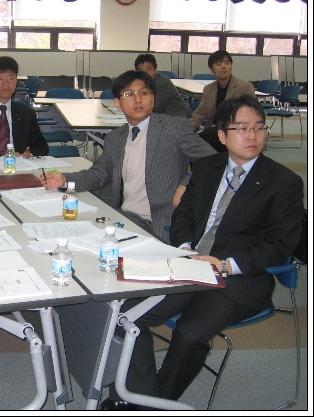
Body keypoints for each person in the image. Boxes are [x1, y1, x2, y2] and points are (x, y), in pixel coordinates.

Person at [100, 95, 304, 410]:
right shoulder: (208, 167)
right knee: (123, 313)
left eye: (258, 128)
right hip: (191, 266)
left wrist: (225, 265)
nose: (252, 136)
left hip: (238, 279)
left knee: (190, 334)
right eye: (242, 128)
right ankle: (139, 394)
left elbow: (280, 245)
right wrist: (186, 249)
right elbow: (183, 215)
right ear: (222, 135)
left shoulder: (284, 182)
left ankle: (154, 405)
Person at [41, 70, 215, 244]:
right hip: (125, 218)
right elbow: (99, 173)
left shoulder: (172, 127)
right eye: (129, 94)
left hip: (160, 223)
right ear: (118, 103)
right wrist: (65, 180)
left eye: (144, 93)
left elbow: (213, 161)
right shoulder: (115, 138)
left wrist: (185, 185)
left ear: (153, 99)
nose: (138, 100)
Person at [189, 51, 256, 151]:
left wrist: (224, 125)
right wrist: (186, 131)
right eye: (219, 64)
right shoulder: (209, 89)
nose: (223, 67)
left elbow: (251, 114)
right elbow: (200, 113)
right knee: (192, 145)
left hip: (235, 131)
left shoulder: (245, 87)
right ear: (211, 70)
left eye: (227, 63)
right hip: (213, 132)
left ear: (231, 66)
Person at [134, 53, 192, 119]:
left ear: (155, 70)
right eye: (141, 71)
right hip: (162, 119)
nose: (146, 73)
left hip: (179, 119)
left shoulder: (163, 83)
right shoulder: (140, 85)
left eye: (149, 69)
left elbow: (153, 109)